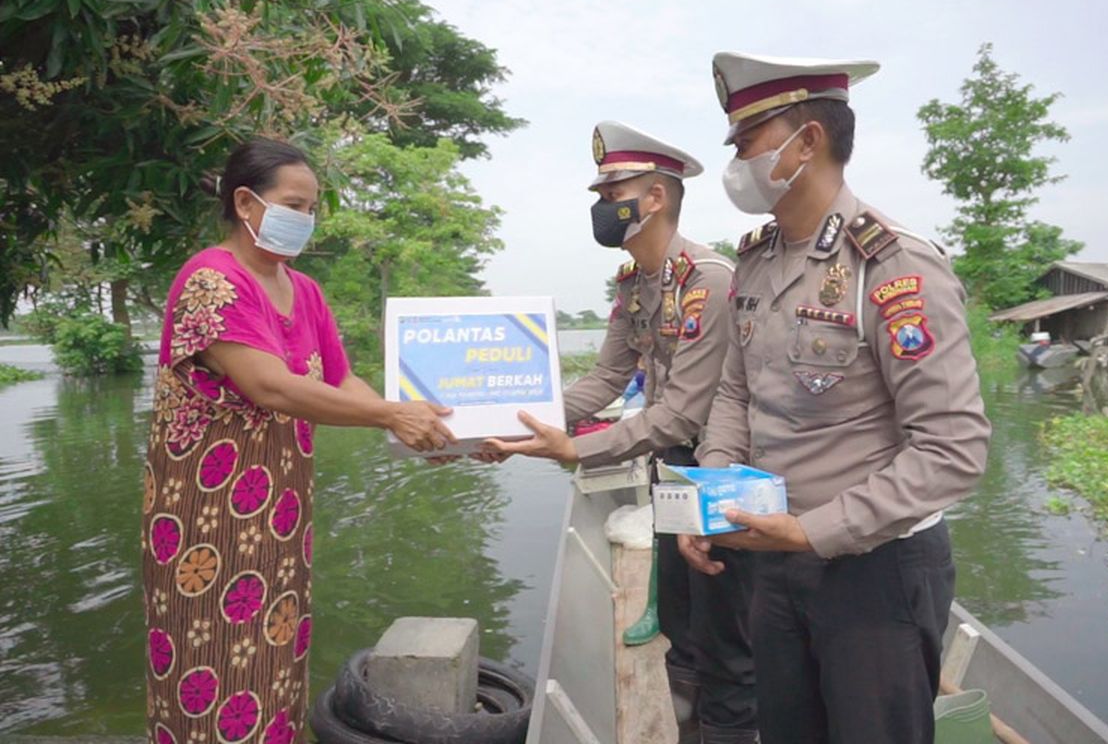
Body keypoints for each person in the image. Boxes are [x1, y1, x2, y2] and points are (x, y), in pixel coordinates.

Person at [678, 53, 992, 744]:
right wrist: (712, 491)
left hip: (875, 572)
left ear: (808, 142)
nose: (735, 158)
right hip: (775, 557)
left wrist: (812, 532)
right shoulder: (756, 260)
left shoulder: (893, 264)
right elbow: (735, 391)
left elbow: (953, 450)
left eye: (746, 140)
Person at [141, 138, 454, 742]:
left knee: (274, 662)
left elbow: (340, 378)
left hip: (280, 517)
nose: (305, 220)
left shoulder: (303, 290)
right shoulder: (213, 280)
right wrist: (393, 416)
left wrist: (431, 425)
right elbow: (273, 388)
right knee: (209, 668)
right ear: (245, 202)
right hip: (205, 524)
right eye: (293, 204)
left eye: (312, 209)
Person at [484, 121, 757, 744]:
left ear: (655, 198)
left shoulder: (707, 279)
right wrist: (517, 421)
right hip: (666, 462)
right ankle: (686, 707)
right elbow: (608, 376)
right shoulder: (635, 284)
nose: (601, 208)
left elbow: (684, 411)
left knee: (726, 626)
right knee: (683, 611)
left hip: (721, 466)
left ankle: (730, 727)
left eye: (612, 194)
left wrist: (574, 447)